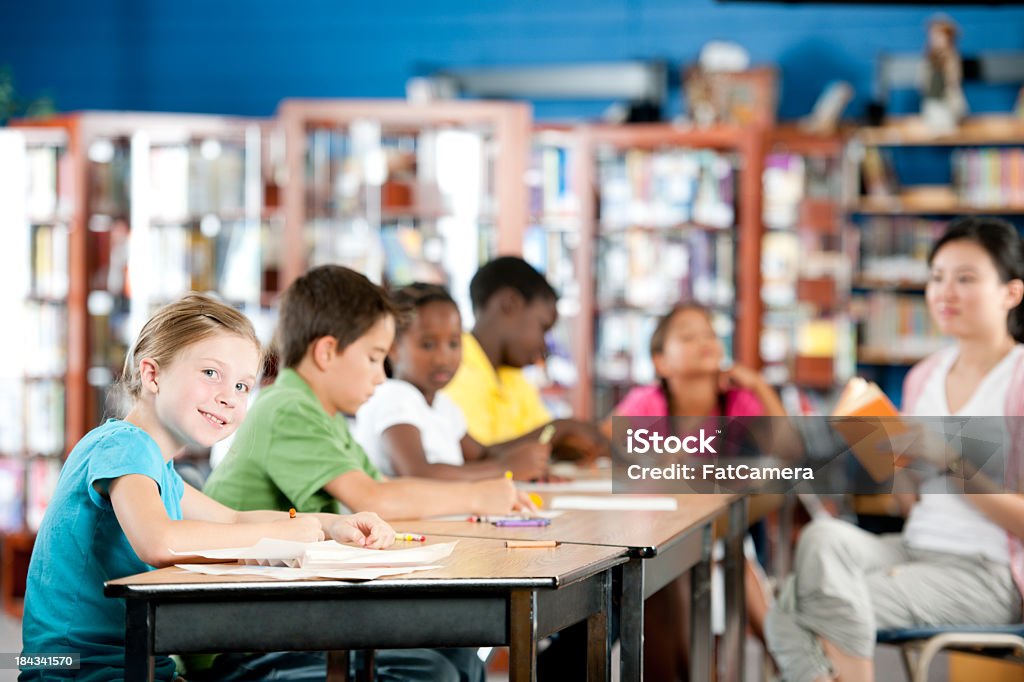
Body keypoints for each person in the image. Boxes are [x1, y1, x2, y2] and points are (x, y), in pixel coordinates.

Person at [20, 294, 395, 681]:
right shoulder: (123, 447)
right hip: (76, 671)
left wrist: (329, 525)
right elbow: (159, 541)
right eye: (211, 373)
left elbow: (232, 518)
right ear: (153, 375)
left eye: (242, 385)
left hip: (134, 666)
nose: (228, 397)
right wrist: (281, 535)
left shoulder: (155, 467)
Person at [765, 216, 1024, 682]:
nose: (945, 292)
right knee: (822, 538)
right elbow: (911, 505)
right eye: (937, 277)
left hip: (988, 573)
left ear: (1012, 292)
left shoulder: (1019, 380)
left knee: (792, 607)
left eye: (966, 278)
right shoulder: (923, 376)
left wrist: (949, 459)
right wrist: (885, 455)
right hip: (913, 549)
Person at [602, 302, 784, 681]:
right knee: (683, 565)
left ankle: (785, 662)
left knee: (728, 554)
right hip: (654, 530)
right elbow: (601, 449)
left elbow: (787, 448)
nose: (703, 341)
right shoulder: (647, 403)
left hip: (720, 529)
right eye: (687, 336)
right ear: (660, 362)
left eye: (710, 334)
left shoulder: (738, 402)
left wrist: (760, 386)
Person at [353, 282, 550, 481]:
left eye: (454, 343)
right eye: (428, 344)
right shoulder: (394, 396)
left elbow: (481, 456)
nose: (443, 358)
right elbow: (417, 473)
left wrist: (530, 466)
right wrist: (506, 468)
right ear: (393, 348)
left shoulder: (443, 405)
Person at [443, 256, 609, 460]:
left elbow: (541, 436)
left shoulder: (512, 376)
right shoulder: (453, 369)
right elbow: (478, 457)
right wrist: (559, 428)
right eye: (543, 327)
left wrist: (566, 441)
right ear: (509, 304)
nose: (544, 345)